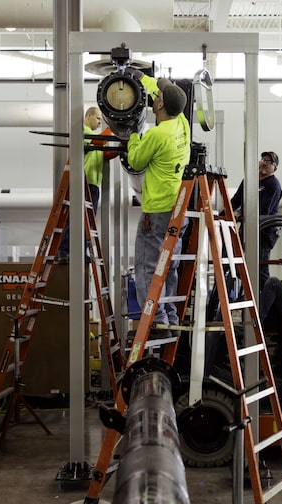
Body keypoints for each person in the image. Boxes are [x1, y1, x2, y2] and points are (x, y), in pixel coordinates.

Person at [126, 73, 191, 336]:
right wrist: (142, 78)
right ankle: (170, 317)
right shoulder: (181, 123)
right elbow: (160, 89)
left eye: (158, 97)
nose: (155, 98)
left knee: (146, 266)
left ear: (160, 105)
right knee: (170, 265)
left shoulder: (156, 134)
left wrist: (132, 133)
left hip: (157, 211)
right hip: (179, 209)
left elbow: (135, 161)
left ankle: (157, 322)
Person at [56, 106, 117, 264]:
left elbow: (105, 154)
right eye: (97, 119)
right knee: (74, 218)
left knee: (87, 222)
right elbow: (99, 141)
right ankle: (64, 252)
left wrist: (121, 151)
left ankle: (79, 252)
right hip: (82, 183)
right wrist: (113, 127)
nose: (99, 123)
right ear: (88, 115)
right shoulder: (83, 133)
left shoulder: (93, 138)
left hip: (93, 184)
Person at [229, 151, 282, 287]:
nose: (264, 163)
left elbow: (264, 210)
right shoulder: (249, 180)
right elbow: (235, 201)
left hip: (263, 232)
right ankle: (249, 294)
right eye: (263, 159)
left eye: (269, 162)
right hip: (247, 227)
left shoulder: (273, 185)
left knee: (260, 268)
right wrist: (224, 213)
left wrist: (242, 216)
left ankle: (267, 300)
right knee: (234, 262)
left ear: (274, 168)